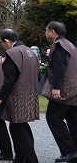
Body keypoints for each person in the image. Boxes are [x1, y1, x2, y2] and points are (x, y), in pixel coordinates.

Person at [0, 29, 40, 163]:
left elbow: (9, 79)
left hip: (17, 95)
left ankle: (31, 159)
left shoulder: (12, 53)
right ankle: (19, 157)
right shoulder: (30, 52)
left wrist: (0, 97)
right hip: (30, 93)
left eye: (2, 43)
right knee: (16, 126)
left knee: (20, 128)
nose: (2, 45)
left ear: (7, 41)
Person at [40, 21, 77, 163]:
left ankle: (69, 151)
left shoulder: (59, 45)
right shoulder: (71, 45)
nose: (45, 33)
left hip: (64, 89)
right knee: (73, 120)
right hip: (74, 89)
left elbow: (59, 67)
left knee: (53, 118)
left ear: (53, 32)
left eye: (46, 30)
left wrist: (57, 87)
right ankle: (74, 152)